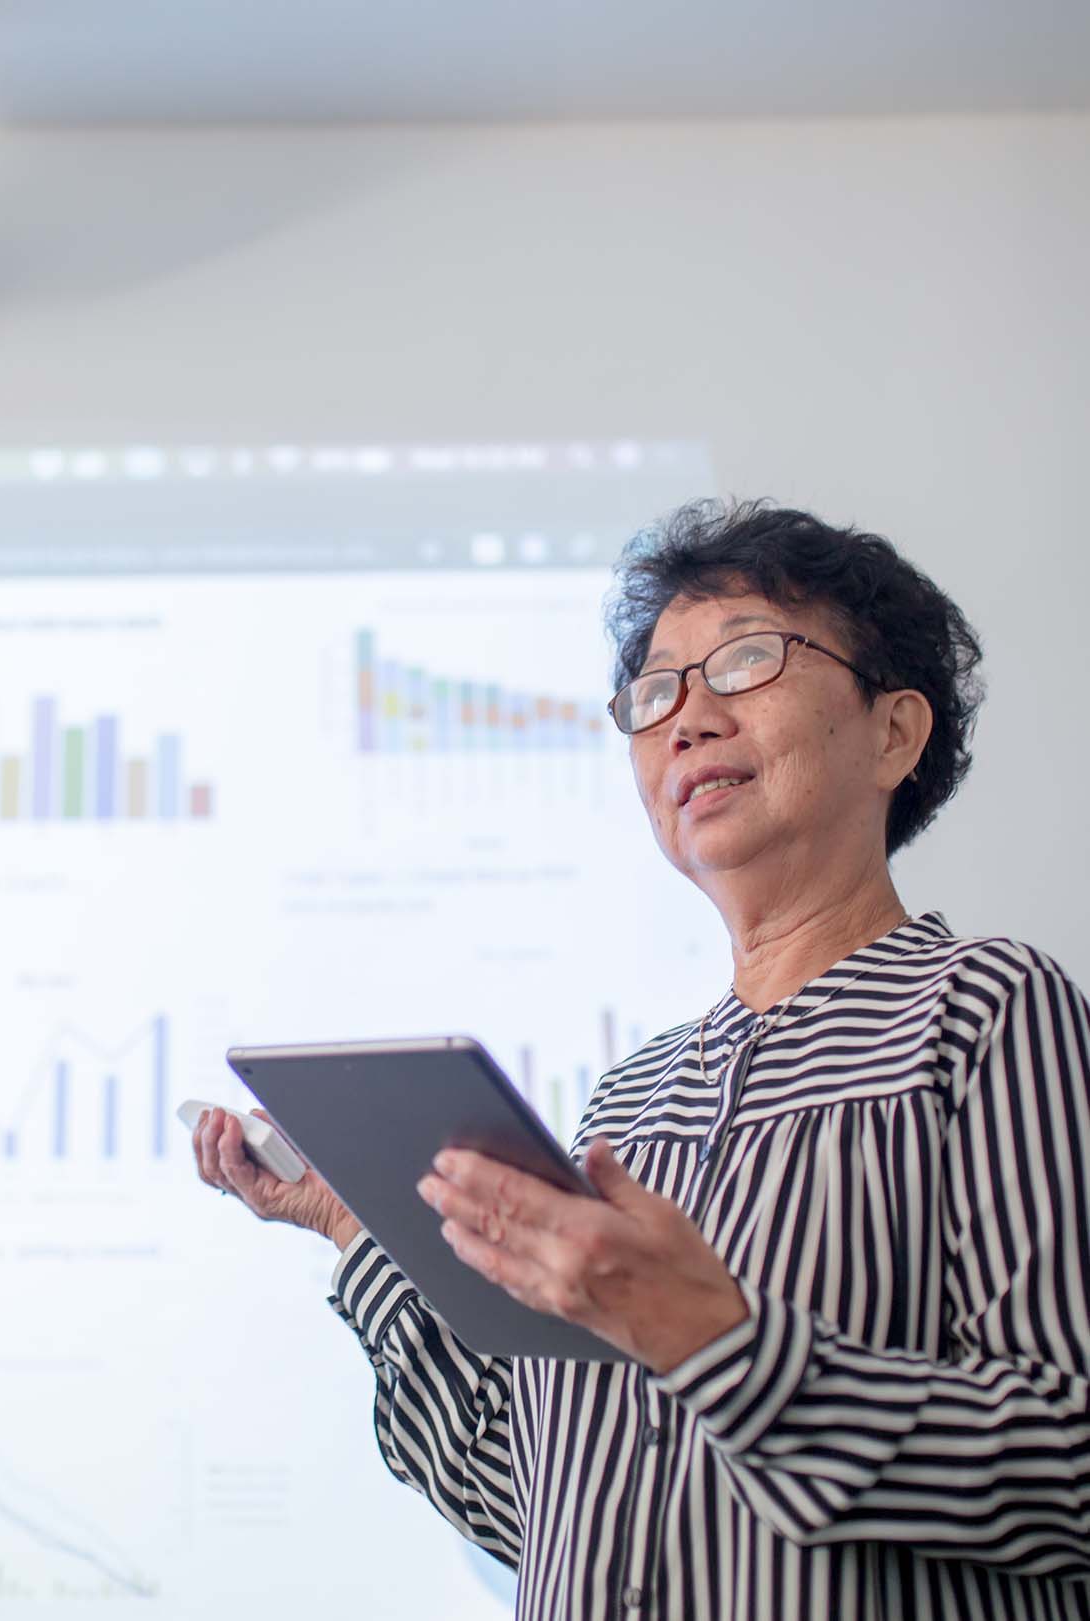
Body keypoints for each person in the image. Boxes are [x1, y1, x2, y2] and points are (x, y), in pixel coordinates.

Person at [191, 499, 1090, 1620]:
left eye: (748, 660)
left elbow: (1068, 1466)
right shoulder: (630, 1099)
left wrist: (717, 1340)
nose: (688, 720)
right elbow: (536, 1500)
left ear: (895, 734)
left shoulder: (983, 1010)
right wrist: (352, 1227)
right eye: (655, 691)